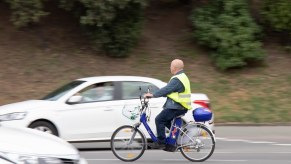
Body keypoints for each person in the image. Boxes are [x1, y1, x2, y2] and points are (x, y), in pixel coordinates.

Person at [144, 59, 192, 149]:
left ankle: (161, 142)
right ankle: (176, 139)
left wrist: (153, 95)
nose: (170, 67)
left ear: (174, 67)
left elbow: (167, 89)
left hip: (178, 107)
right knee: (165, 120)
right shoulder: (181, 77)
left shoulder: (177, 79)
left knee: (159, 119)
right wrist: (159, 94)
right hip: (179, 106)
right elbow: (169, 91)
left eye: (170, 66)